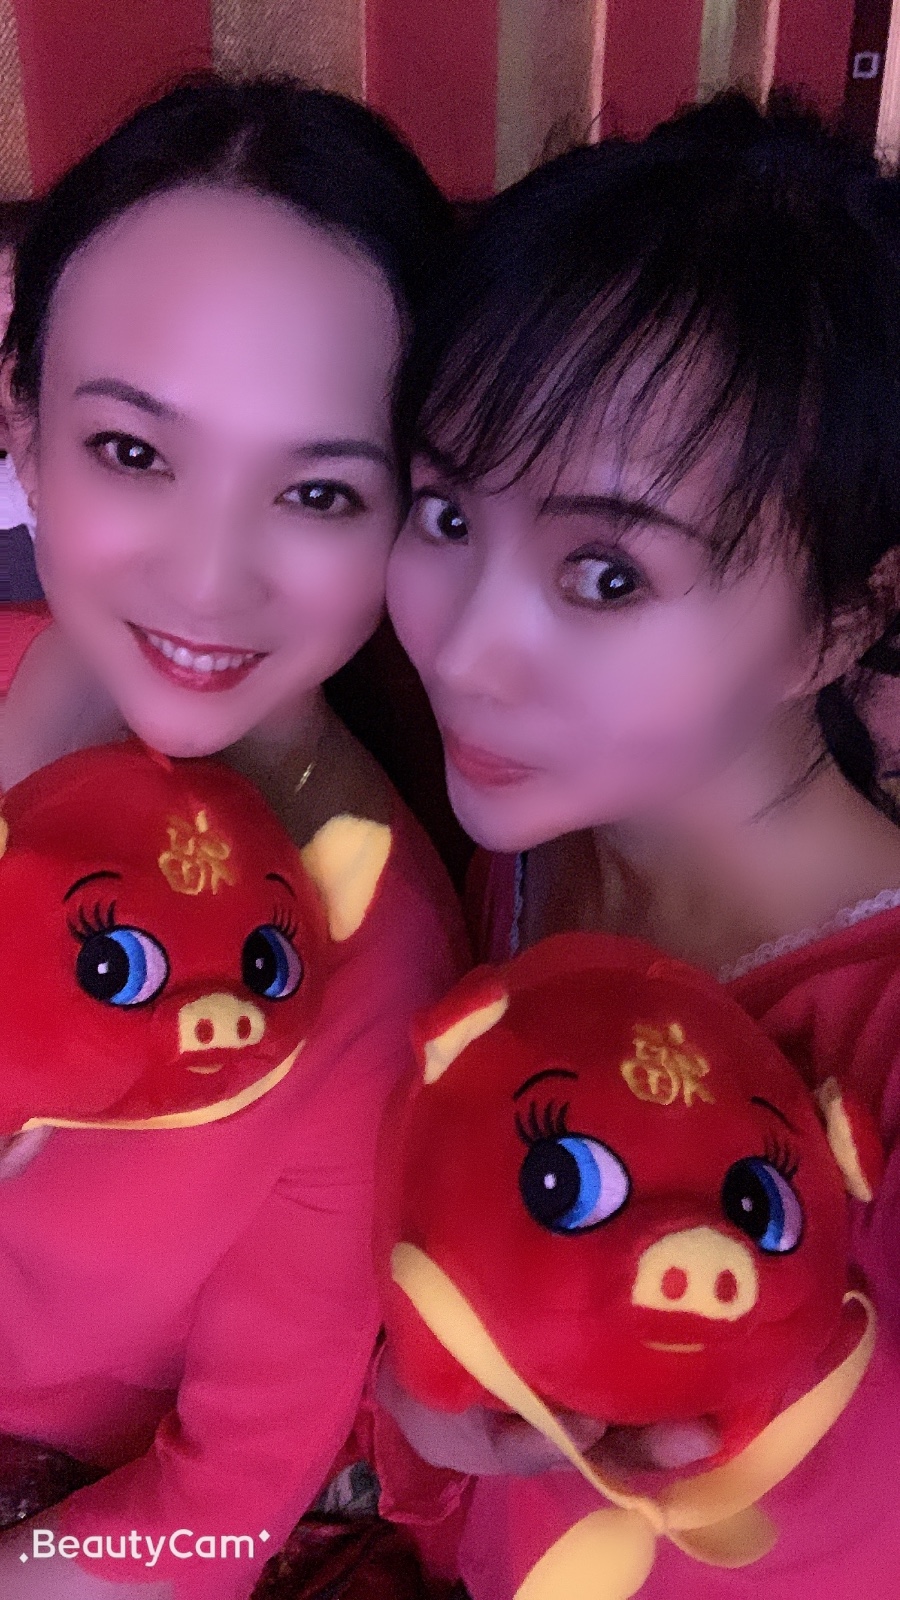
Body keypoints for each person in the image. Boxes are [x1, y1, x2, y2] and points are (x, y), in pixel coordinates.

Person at [383, 95, 900, 1597]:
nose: (464, 649)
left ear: (840, 623)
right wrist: (425, 1407)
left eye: (608, 575)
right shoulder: (524, 849)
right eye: (445, 513)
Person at [0, 77, 466, 1598]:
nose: (209, 580)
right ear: (21, 423)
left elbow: (222, 1506)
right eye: (135, 453)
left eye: (317, 491)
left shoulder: (380, 977)